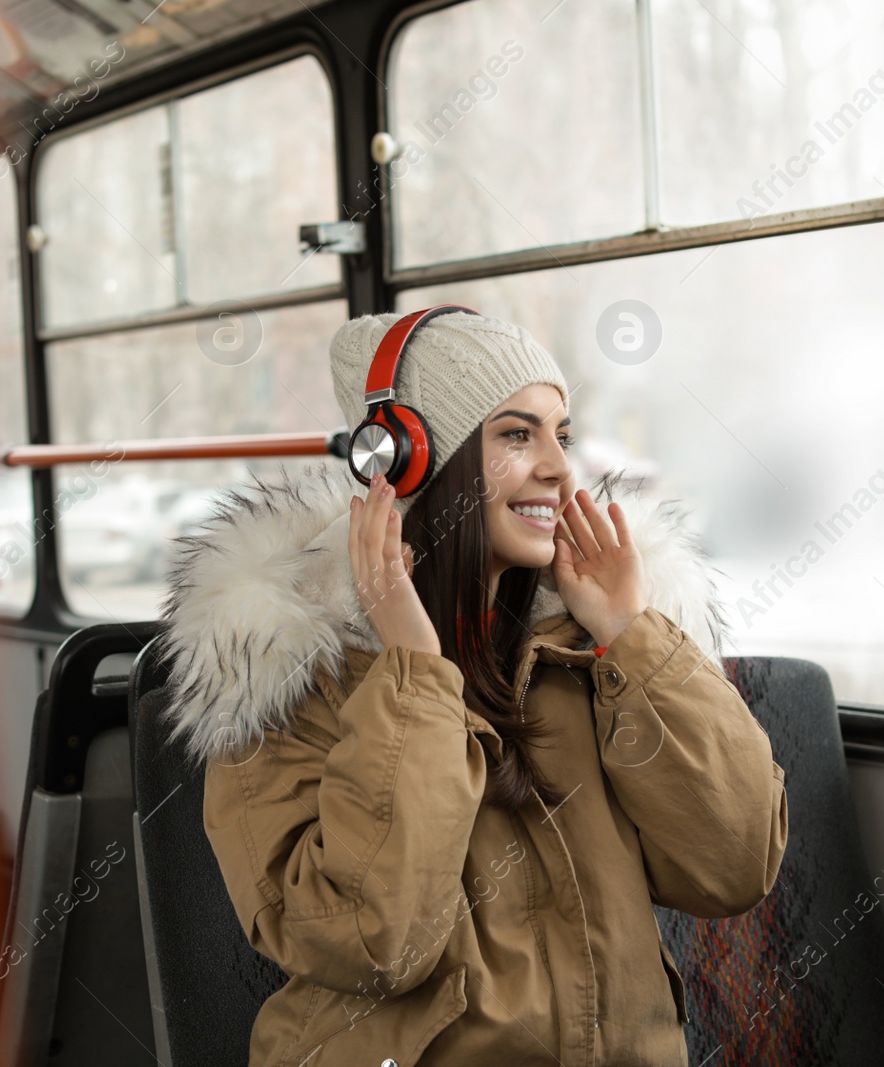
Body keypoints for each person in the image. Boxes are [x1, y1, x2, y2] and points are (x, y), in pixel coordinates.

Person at [155, 309, 788, 1066]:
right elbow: (373, 939)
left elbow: (736, 866)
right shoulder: (290, 672)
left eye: (563, 434)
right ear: (412, 462)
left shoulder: (592, 653)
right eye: (517, 435)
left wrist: (633, 634)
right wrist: (416, 674)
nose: (558, 466)